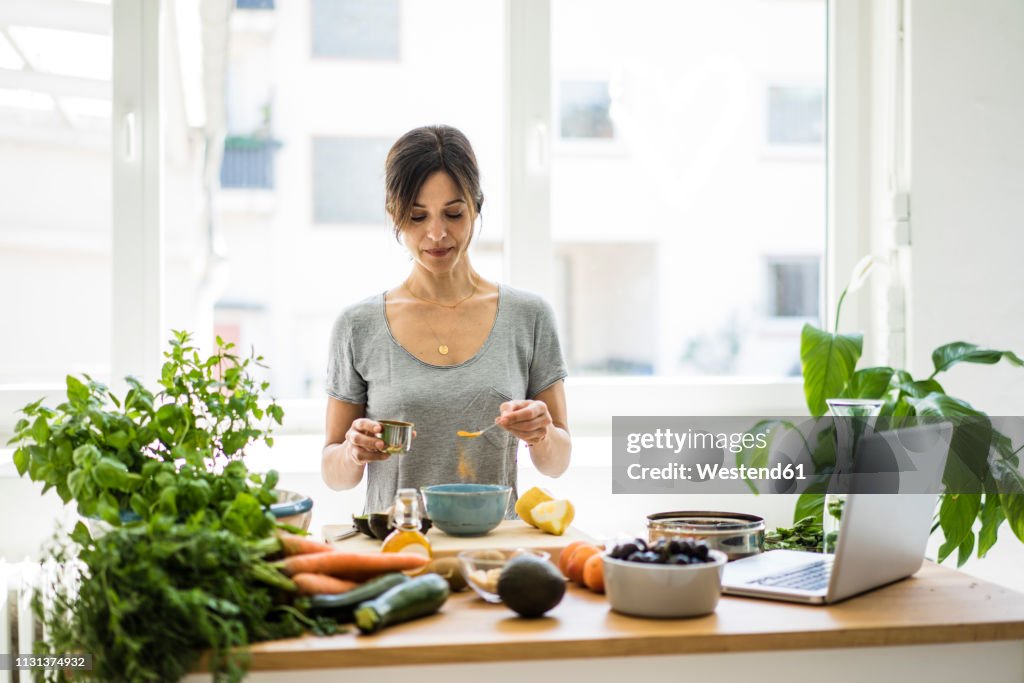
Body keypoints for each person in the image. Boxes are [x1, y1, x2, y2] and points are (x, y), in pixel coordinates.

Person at [321, 124, 572, 516]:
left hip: (491, 556)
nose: (436, 234)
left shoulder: (529, 316)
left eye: (453, 213)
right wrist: (353, 452)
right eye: (417, 217)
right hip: (396, 552)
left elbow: (556, 462)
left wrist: (542, 433)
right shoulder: (358, 325)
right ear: (395, 215)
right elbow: (335, 474)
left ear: (477, 206)